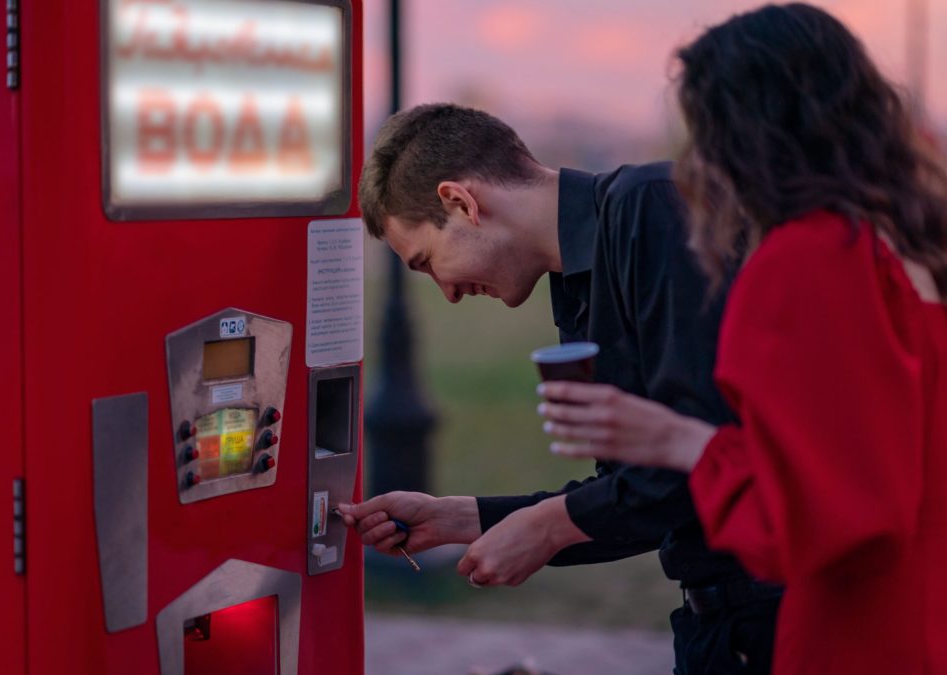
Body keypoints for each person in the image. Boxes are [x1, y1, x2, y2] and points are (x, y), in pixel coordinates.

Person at [534, 4, 947, 673]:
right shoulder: (908, 250)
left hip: (853, 639)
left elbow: (818, 521)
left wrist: (675, 438)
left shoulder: (803, 263)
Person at [341, 102, 781, 673]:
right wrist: (462, 518)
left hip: (787, 615)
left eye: (426, 262)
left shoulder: (653, 207)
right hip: (716, 626)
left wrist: (551, 527)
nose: (446, 292)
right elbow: (633, 494)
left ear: (461, 202)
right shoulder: (576, 282)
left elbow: (704, 452)